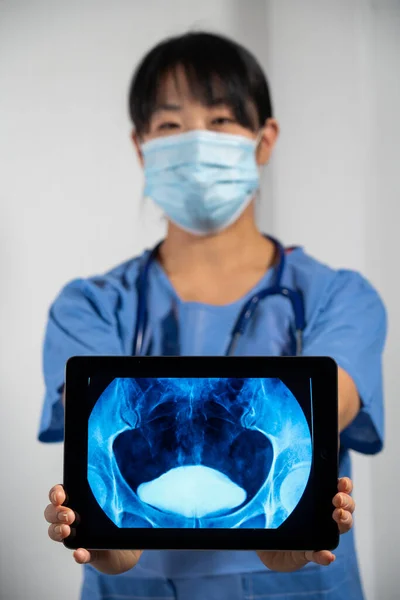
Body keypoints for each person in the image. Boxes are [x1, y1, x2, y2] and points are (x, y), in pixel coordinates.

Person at [40, 31, 386, 600]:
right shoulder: (91, 305)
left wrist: (278, 518)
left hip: (298, 579)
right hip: (134, 585)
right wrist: (111, 539)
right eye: (171, 125)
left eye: (221, 120)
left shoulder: (338, 297)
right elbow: (92, 436)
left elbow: (323, 407)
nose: (197, 141)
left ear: (264, 139)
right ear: (140, 145)